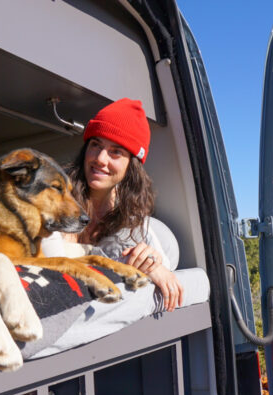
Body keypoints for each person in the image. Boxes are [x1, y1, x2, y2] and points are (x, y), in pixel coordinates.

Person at [49, 98, 184, 311]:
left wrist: (154, 266)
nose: (101, 158)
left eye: (116, 152)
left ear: (131, 166)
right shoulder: (55, 197)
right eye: (96, 145)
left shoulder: (135, 227)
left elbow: (159, 263)